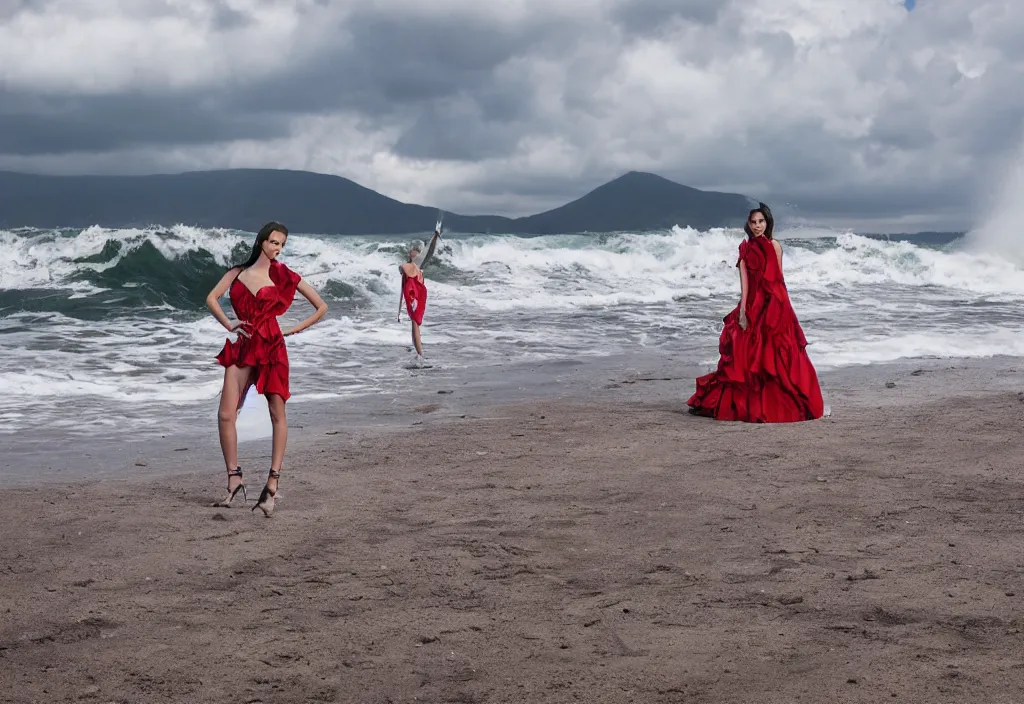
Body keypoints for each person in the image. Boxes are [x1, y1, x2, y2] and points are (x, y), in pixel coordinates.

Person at [205, 221, 328, 515]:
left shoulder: (282, 274)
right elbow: (211, 298)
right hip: (245, 345)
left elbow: (321, 307)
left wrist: (292, 330)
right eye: (274, 242)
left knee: (277, 415)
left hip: (272, 347)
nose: (278, 248)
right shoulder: (237, 273)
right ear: (261, 241)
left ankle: (272, 486)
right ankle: (234, 479)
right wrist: (230, 324)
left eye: (282, 244)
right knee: (225, 415)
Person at [686, 203, 824, 423]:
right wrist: (742, 313)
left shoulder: (775, 246)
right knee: (746, 356)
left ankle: (783, 403)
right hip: (754, 306)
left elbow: (780, 280)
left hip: (776, 305)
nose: (757, 226)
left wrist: (785, 309)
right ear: (748, 225)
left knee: (778, 355)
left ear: (767, 223)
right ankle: (738, 403)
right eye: (753, 222)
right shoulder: (746, 250)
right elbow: (745, 284)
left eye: (761, 221)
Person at [398, 220, 442, 364]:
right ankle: (419, 353)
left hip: (418, 296)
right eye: (412, 251)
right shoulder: (410, 266)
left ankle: (419, 354)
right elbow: (401, 290)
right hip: (412, 297)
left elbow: (429, 250)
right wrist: (398, 312)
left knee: (415, 323)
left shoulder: (417, 265)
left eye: (415, 250)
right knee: (414, 323)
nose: (413, 252)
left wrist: (435, 237)